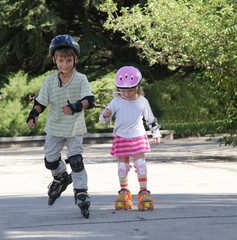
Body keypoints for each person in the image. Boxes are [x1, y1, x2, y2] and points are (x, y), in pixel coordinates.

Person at [26, 34, 95, 218]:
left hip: (74, 128)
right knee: (50, 160)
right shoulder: (49, 81)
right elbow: (40, 102)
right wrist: (33, 114)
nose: (65, 64)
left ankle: (81, 191)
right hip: (54, 127)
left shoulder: (81, 79)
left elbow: (90, 100)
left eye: (69, 60)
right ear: (54, 60)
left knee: (76, 161)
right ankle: (62, 177)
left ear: (75, 59)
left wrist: (76, 106)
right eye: (61, 60)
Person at [99, 66, 161, 211]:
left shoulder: (142, 101)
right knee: (122, 167)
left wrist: (156, 133)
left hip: (138, 136)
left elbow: (150, 119)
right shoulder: (116, 101)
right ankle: (124, 192)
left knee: (140, 164)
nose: (126, 94)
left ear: (138, 87)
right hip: (121, 137)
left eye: (130, 90)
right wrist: (105, 116)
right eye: (123, 90)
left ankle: (144, 191)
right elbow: (103, 119)